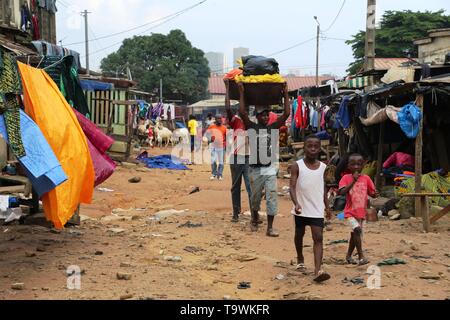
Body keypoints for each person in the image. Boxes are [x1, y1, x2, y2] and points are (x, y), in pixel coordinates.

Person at [238, 82, 290, 237]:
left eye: (268, 114)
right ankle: (254, 219)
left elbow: (286, 113)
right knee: (254, 199)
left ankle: (270, 227)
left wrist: (286, 92)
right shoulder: (251, 127)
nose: (266, 117)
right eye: (263, 115)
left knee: (272, 196)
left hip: (269, 168)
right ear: (257, 116)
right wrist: (241, 92)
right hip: (254, 169)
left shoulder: (272, 128)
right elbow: (242, 112)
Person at [290, 135, 332, 283]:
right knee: (299, 234)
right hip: (301, 208)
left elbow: (324, 187)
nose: (313, 149)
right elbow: (292, 187)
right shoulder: (297, 165)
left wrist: (327, 207)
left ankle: (317, 270)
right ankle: (300, 257)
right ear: (304, 147)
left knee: (318, 237)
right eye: (309, 146)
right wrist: (296, 203)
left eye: (316, 146)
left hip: (316, 208)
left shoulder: (323, 167)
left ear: (319, 148)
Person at [339, 153, 379, 266]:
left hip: (361, 213)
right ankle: (361, 257)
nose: (356, 167)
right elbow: (341, 192)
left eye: (359, 164)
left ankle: (348, 256)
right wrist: (353, 181)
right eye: (353, 164)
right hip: (350, 212)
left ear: (363, 166)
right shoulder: (345, 178)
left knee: (354, 235)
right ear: (348, 166)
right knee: (357, 230)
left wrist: (375, 194)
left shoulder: (366, 178)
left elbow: (372, 193)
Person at [225, 80, 252, 223]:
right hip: (236, 157)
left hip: (249, 158)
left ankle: (254, 214)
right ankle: (236, 212)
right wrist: (228, 88)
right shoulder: (236, 121)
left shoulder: (252, 122)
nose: (245, 110)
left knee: (250, 187)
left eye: (247, 108)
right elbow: (228, 109)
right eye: (243, 108)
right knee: (236, 186)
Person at [206, 115, 227, 181]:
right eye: (218, 118)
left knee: (221, 161)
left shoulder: (224, 128)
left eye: (220, 118)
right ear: (215, 119)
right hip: (213, 147)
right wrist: (209, 140)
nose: (219, 120)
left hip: (222, 147)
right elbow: (207, 134)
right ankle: (214, 174)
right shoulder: (211, 127)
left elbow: (227, 137)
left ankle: (220, 175)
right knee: (213, 160)